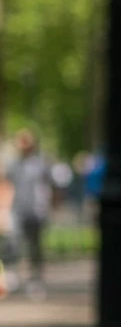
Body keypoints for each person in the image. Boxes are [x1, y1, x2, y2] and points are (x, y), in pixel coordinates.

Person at [4, 128, 52, 299]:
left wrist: (50, 207)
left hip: (37, 211)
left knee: (35, 247)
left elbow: (50, 187)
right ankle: (12, 276)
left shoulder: (41, 163)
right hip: (17, 210)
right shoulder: (13, 164)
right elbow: (6, 186)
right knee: (13, 243)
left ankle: (35, 280)